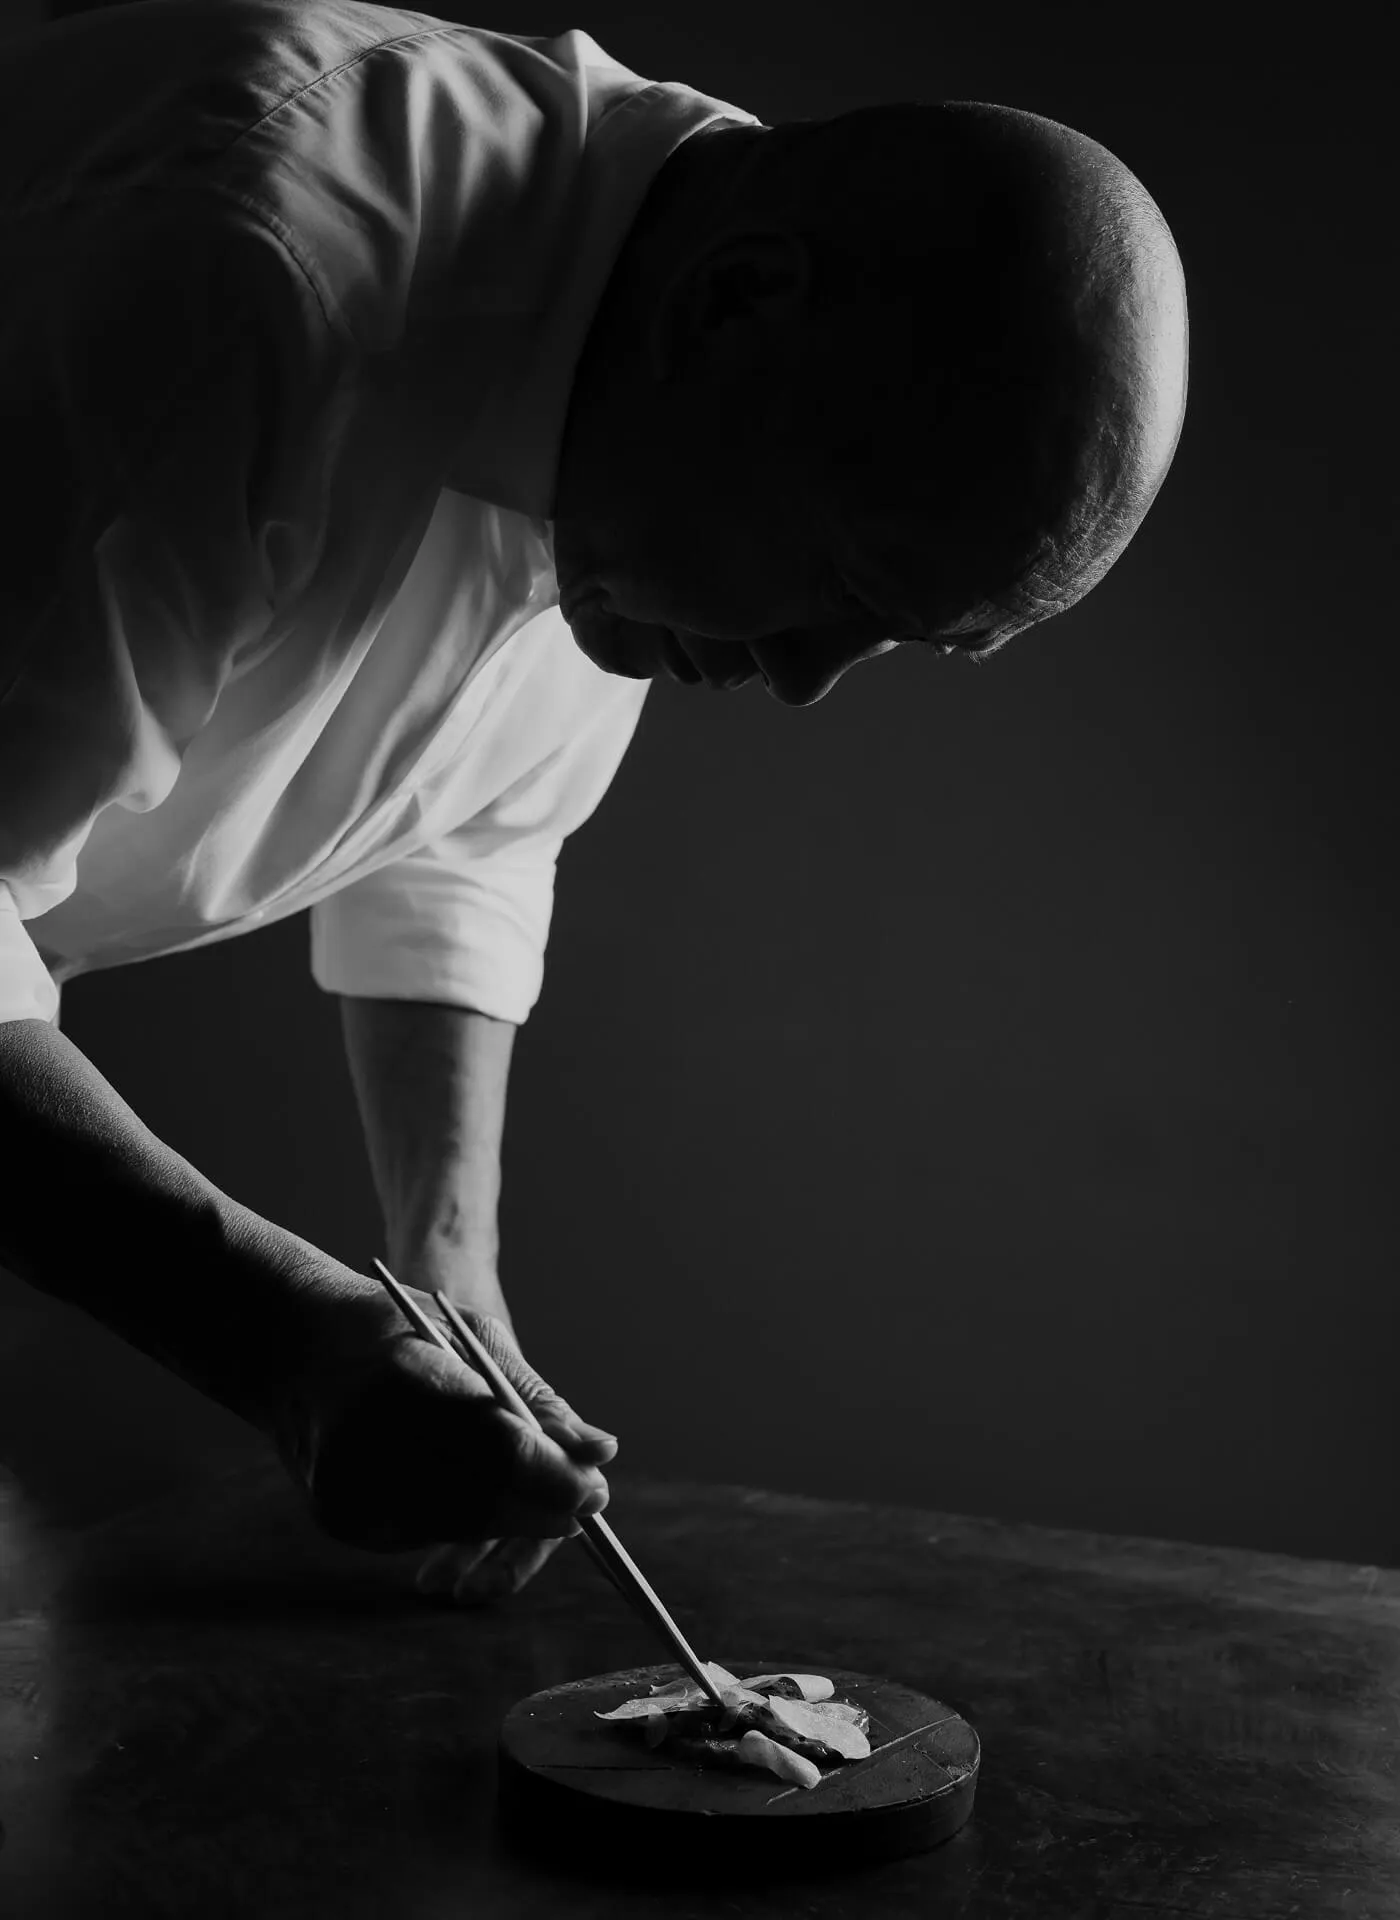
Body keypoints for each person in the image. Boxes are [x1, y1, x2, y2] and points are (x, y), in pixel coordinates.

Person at [0, 0, 1188, 1604]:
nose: (805, 678)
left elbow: (461, 837)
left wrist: (445, 1267)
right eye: (843, 579)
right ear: (741, 302)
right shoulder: (243, 274)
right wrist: (288, 1342)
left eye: (899, 640)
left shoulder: (652, 404)